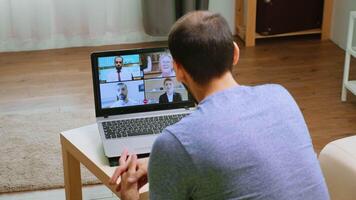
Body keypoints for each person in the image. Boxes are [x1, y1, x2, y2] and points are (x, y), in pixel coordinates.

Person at [110, 11, 330, 200]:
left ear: (177, 70)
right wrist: (161, 163)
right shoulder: (280, 95)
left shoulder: (175, 141)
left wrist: (130, 196)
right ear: (235, 53)